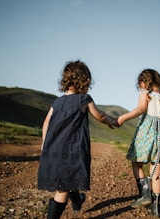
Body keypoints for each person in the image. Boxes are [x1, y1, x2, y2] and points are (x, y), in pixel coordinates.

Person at [37, 60, 115, 218]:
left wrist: (45, 144)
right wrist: (111, 122)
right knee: (63, 188)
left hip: (53, 148)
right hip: (72, 150)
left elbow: (46, 122)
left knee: (67, 178)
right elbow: (99, 116)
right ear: (85, 81)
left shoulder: (57, 102)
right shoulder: (84, 99)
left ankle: (78, 199)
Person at [116, 69, 160, 217]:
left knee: (136, 163)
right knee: (155, 172)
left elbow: (140, 109)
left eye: (140, 85)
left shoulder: (146, 94)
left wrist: (122, 118)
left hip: (147, 134)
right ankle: (156, 208)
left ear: (145, 83)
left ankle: (145, 194)